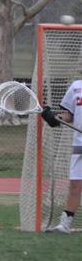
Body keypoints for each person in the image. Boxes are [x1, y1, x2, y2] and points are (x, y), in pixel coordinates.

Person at [41, 78, 82, 233]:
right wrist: (55, 118)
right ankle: (65, 224)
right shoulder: (76, 86)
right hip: (80, 144)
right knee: (75, 185)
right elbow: (68, 115)